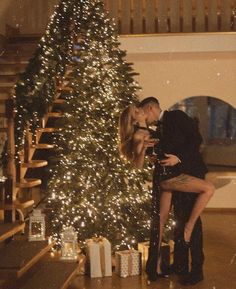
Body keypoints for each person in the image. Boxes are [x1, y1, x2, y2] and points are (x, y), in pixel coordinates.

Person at [118, 99, 214, 283]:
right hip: (170, 178)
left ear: (150, 109)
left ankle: (194, 269)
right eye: (135, 111)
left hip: (186, 171)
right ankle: (178, 266)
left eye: (139, 109)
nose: (139, 111)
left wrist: (176, 158)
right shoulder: (145, 132)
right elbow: (139, 162)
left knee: (185, 221)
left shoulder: (173, 118)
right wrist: (147, 153)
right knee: (175, 220)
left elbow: (195, 140)